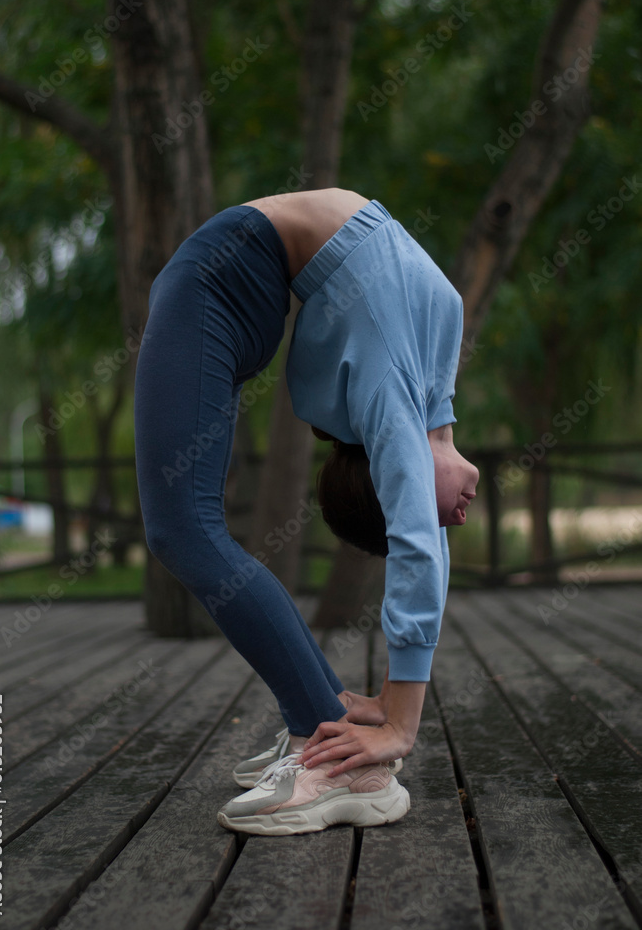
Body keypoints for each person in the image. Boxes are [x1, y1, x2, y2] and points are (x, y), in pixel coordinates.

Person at [133, 188, 479, 836]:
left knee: (181, 527)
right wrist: (393, 716)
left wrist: (395, 711)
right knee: (183, 527)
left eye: (442, 520)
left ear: (383, 473)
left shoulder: (398, 396)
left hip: (222, 275)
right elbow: (417, 540)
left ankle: (323, 743)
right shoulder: (417, 386)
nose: (453, 518)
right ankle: (323, 726)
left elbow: (418, 537)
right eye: (444, 518)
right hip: (230, 270)